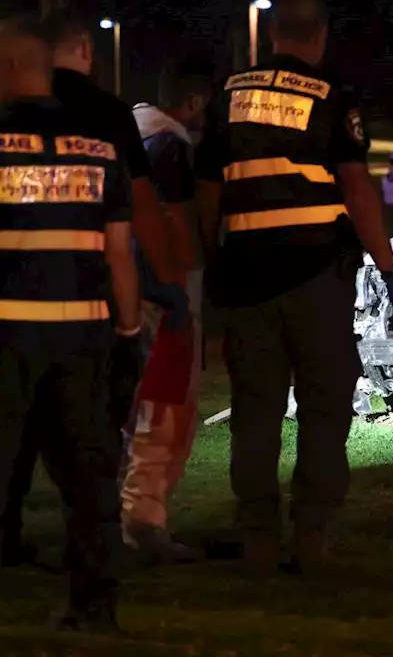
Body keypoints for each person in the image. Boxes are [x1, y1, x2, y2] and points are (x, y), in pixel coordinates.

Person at [194, 0, 393, 577]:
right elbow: (356, 189)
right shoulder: (330, 96)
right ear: (318, 37)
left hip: (245, 279)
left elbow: (209, 191)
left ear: (271, 36)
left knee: (256, 408)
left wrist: (213, 262)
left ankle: (258, 537)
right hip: (316, 276)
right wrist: (389, 271)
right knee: (323, 404)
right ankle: (313, 532)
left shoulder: (228, 96)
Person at [0, 11, 190, 564]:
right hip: (87, 322)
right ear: (81, 49)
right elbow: (126, 237)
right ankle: (94, 589)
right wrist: (139, 319)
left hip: (10, 325)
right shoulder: (103, 130)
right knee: (88, 458)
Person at [0, 14, 141, 630]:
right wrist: (130, 333)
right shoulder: (99, 150)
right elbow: (119, 256)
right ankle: (95, 603)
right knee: (89, 475)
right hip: (84, 337)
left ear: (10, 66)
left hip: (6, 337)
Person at [120, 55, 216, 562]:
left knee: (131, 409)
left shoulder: (126, 132)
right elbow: (175, 223)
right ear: (194, 101)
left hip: (123, 294)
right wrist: (182, 289)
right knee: (166, 414)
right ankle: (144, 522)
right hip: (166, 296)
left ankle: (118, 511)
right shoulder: (171, 145)